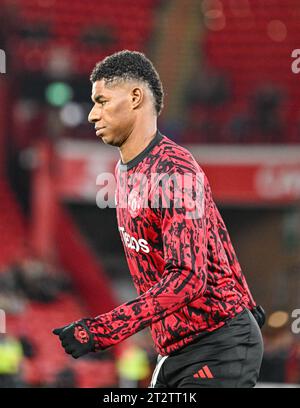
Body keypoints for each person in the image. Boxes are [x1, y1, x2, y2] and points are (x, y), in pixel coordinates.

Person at [53, 50, 265, 388]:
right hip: (177, 351)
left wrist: (101, 330)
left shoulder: (174, 171)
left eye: (102, 101)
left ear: (135, 97)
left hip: (217, 344)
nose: (93, 114)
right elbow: (216, 234)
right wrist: (247, 297)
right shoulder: (129, 170)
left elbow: (187, 277)